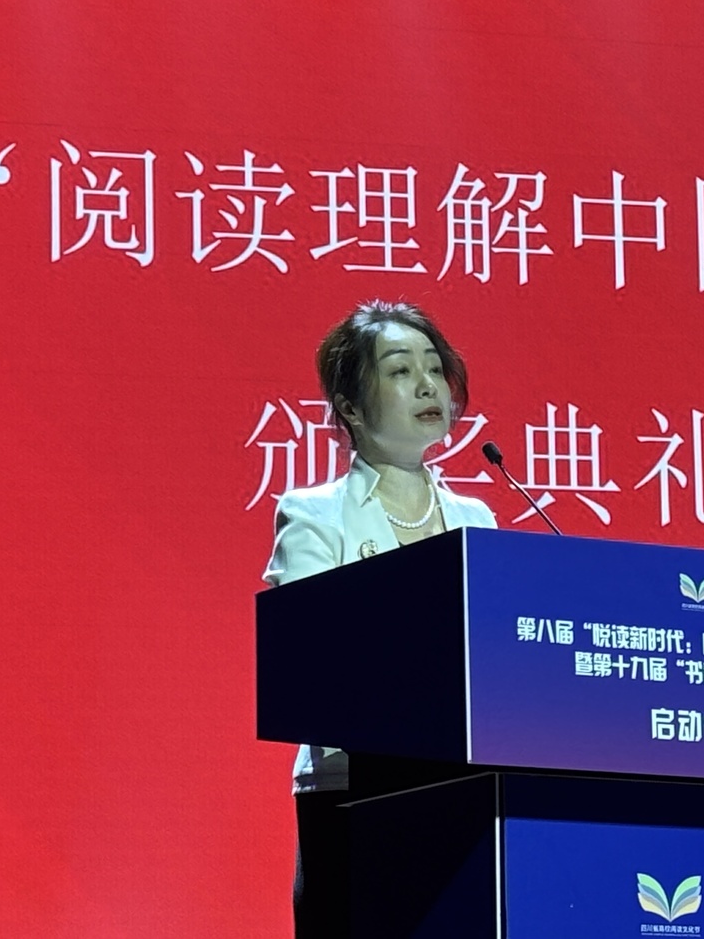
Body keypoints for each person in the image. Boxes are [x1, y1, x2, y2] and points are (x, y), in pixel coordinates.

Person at [261, 300, 498, 937]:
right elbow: (310, 658)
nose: (427, 385)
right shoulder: (315, 515)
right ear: (350, 406)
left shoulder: (477, 520)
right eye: (399, 370)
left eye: (435, 368)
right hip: (351, 794)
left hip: (467, 793)